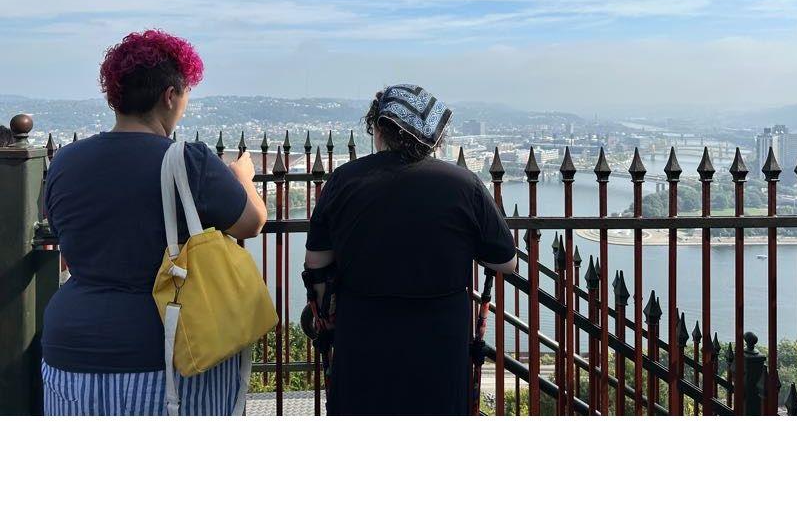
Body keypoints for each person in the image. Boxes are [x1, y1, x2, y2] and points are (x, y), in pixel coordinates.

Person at [41, 29, 267, 415]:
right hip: (165, 354)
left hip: (69, 353)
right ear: (170, 96)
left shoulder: (65, 162)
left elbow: (64, 240)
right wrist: (242, 176)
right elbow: (251, 222)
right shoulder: (187, 161)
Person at [304, 84, 517, 415]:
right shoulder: (463, 184)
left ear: (377, 128)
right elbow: (506, 262)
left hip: (363, 333)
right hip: (440, 339)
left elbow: (316, 263)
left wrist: (327, 314)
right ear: (432, 135)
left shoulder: (343, 181)